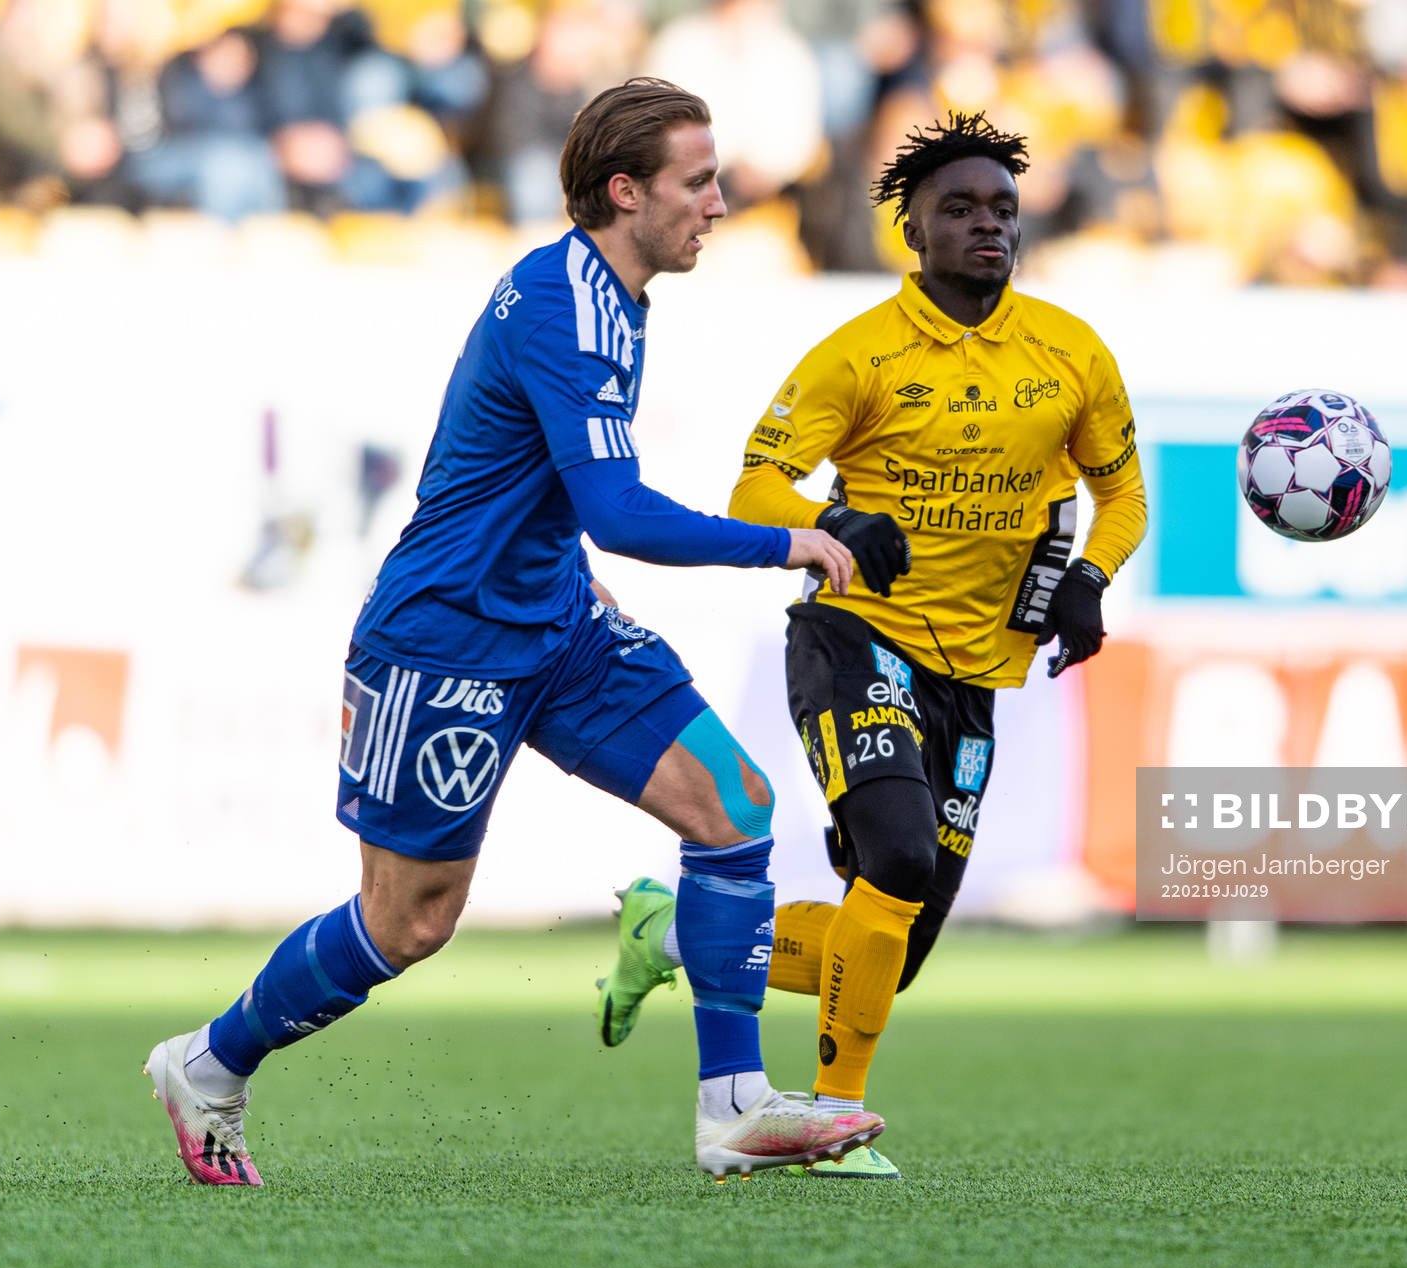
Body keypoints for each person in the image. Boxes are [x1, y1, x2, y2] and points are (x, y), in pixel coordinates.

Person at [143, 77, 886, 1188]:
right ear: (627, 192)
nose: (721, 204)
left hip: (560, 622)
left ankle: (733, 1106)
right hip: (447, 639)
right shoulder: (563, 306)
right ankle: (208, 1062)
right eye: (699, 181)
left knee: (733, 806)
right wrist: (793, 542)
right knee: (410, 923)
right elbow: (619, 511)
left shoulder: (613, 294)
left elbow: (555, 502)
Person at [595, 112, 1148, 1178]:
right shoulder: (859, 355)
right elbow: (757, 481)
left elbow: (1120, 491)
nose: (988, 225)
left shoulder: (1071, 352)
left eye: (1001, 208)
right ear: (913, 232)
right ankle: (836, 1115)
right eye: (960, 209)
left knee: (889, 948)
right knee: (893, 855)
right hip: (859, 636)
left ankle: (670, 933)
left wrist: (1087, 578)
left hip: (976, 673)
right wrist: (832, 525)